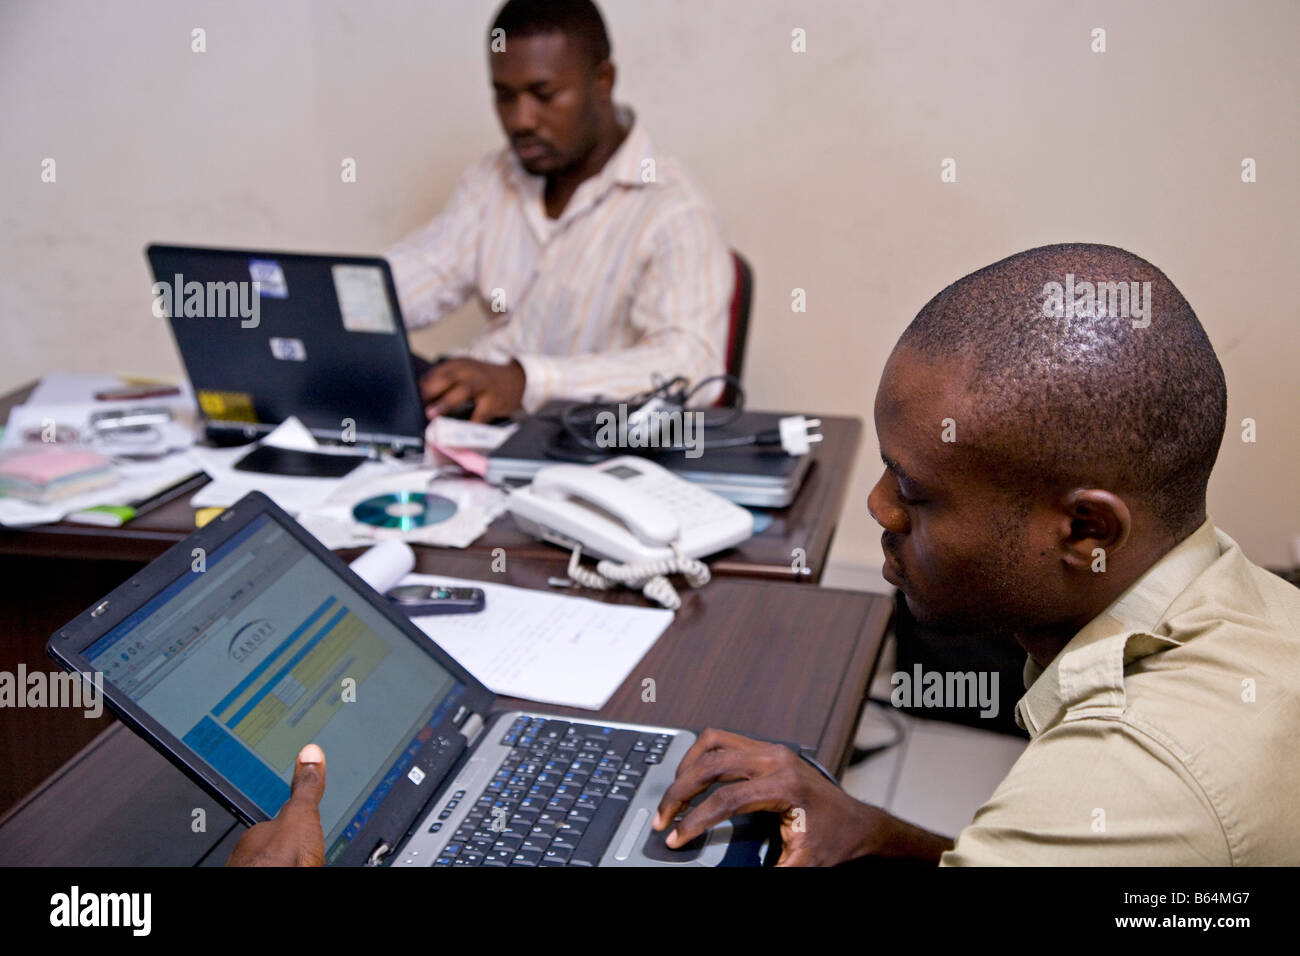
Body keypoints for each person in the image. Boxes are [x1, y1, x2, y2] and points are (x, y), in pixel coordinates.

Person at [229, 243, 1300, 866]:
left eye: (915, 492)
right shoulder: (1244, 604)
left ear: (1085, 530)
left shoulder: (1131, 785)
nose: (875, 505)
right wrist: (870, 830)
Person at [387, 0, 733, 423]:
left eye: (544, 95)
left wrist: (526, 382)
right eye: (504, 97)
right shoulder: (493, 181)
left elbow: (691, 368)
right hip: (473, 434)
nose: (521, 120)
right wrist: (328, 307)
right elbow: (424, 272)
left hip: (582, 448)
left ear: (603, 81)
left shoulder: (672, 210)